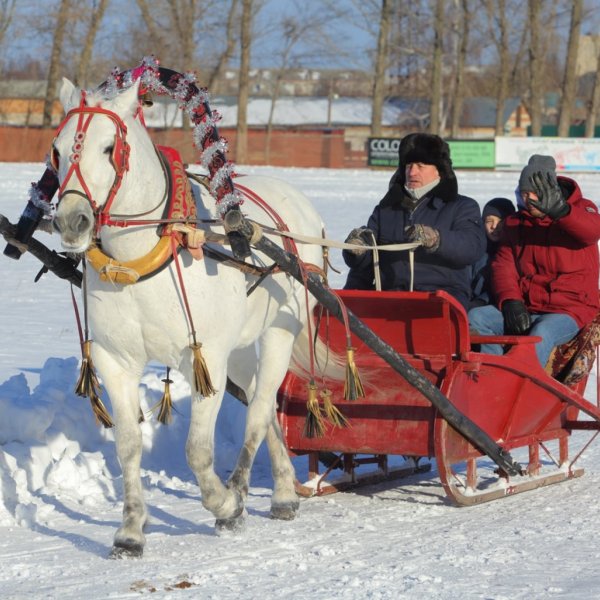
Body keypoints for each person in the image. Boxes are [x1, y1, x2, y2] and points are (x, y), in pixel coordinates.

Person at [468, 154, 600, 368]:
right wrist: (510, 300)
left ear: (549, 190)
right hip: (529, 306)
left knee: (541, 333)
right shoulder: (515, 223)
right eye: (523, 193)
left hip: (569, 309)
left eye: (533, 193)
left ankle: (523, 388)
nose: (528, 200)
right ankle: (491, 375)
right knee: (477, 318)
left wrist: (562, 212)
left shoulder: (581, 209)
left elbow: (592, 231)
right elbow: (503, 266)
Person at [343, 133, 486, 311]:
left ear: (439, 170)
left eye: (421, 165)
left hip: (441, 300)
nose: (412, 172)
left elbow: (472, 247)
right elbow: (366, 264)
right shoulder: (386, 208)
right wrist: (358, 251)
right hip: (392, 299)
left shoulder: (462, 206)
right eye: (409, 165)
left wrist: (437, 240)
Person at [469, 197, 516, 309]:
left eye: (500, 221)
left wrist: (482, 301)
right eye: (489, 221)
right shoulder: (476, 249)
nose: (494, 226)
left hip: (498, 307)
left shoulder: (515, 252)